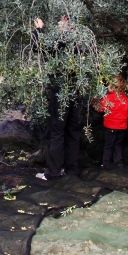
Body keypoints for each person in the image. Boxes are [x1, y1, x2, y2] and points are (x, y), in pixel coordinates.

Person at [33, 16, 84, 181]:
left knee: (57, 132)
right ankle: (72, 169)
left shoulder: (62, 42)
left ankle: (53, 172)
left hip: (60, 92)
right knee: (73, 131)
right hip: (75, 91)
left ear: (67, 26)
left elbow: (38, 47)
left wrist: (38, 29)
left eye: (60, 23)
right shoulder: (77, 42)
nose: (57, 24)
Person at [95, 75, 128, 169]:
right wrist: (123, 118)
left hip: (110, 127)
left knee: (108, 145)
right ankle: (118, 162)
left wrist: (95, 102)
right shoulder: (126, 100)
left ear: (112, 87)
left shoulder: (108, 98)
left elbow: (100, 109)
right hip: (122, 127)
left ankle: (106, 163)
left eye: (109, 85)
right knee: (118, 144)